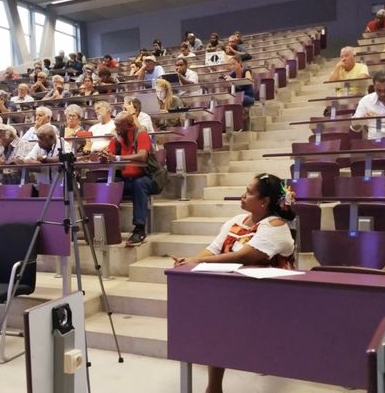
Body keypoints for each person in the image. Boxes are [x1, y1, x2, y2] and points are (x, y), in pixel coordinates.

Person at [172, 173, 296, 393]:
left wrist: (199, 261)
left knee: (222, 324)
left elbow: (245, 256)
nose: (243, 195)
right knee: (216, 323)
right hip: (235, 293)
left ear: (264, 201)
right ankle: (214, 387)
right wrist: (189, 262)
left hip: (271, 299)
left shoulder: (276, 227)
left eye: (249, 192)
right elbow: (213, 249)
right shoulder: (236, 222)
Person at [100, 111, 155, 246]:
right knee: (102, 185)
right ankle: (104, 226)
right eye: (115, 125)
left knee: (139, 184)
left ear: (129, 125)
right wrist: (105, 157)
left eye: (119, 126)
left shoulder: (141, 134)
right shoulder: (116, 139)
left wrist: (118, 158)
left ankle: (139, 229)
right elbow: (110, 155)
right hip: (126, 180)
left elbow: (142, 156)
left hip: (148, 178)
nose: (116, 128)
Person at [23, 124, 71, 189]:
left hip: (61, 187)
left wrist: (44, 159)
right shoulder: (38, 145)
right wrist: (40, 164)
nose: (38, 141)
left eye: (41, 138)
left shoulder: (63, 144)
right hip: (43, 187)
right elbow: (27, 160)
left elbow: (66, 158)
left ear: (50, 138)